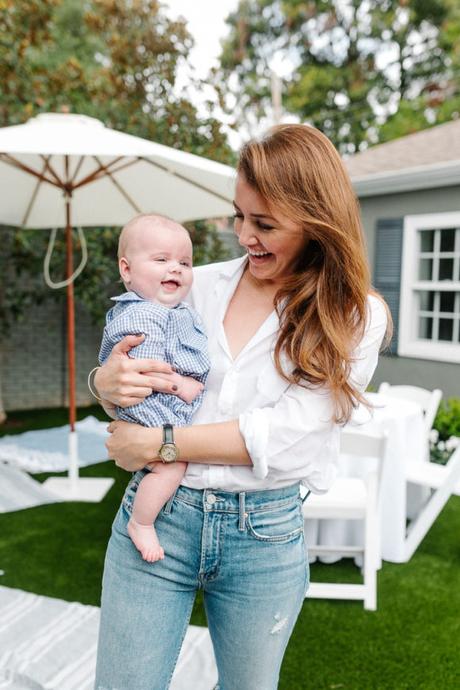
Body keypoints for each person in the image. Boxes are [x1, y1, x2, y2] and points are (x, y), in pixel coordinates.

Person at [93, 124, 390, 690]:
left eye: (265, 223)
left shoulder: (354, 315)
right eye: (239, 216)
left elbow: (288, 437)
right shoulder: (197, 284)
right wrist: (105, 381)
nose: (243, 235)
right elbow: (135, 355)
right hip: (162, 514)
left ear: (315, 220)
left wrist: (159, 444)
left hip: (265, 535)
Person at [98, 214, 210, 562]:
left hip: (154, 408)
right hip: (150, 410)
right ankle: (142, 523)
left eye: (184, 262)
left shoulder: (171, 311)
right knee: (171, 466)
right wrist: (183, 387)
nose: (175, 268)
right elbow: (147, 374)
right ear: (127, 270)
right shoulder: (142, 316)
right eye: (161, 260)